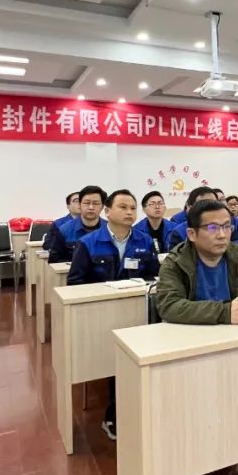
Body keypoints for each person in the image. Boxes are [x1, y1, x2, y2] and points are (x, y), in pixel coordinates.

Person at [67, 189, 159, 441]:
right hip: (99, 317)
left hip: (137, 314)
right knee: (114, 361)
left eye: (133, 208)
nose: (130, 212)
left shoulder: (144, 241)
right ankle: (115, 413)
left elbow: (154, 278)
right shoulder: (88, 243)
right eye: (123, 207)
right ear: (107, 211)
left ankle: (139, 410)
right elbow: (75, 283)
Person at [156, 200, 238, 325]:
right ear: (192, 234)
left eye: (227, 227)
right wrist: (225, 312)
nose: (222, 235)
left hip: (237, 332)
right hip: (193, 334)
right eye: (212, 228)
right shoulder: (176, 262)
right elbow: (169, 305)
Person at [47, 185, 106, 263]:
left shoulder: (110, 229)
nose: (91, 207)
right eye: (86, 203)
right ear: (80, 205)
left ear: (102, 206)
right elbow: (54, 259)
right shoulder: (64, 230)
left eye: (96, 203)